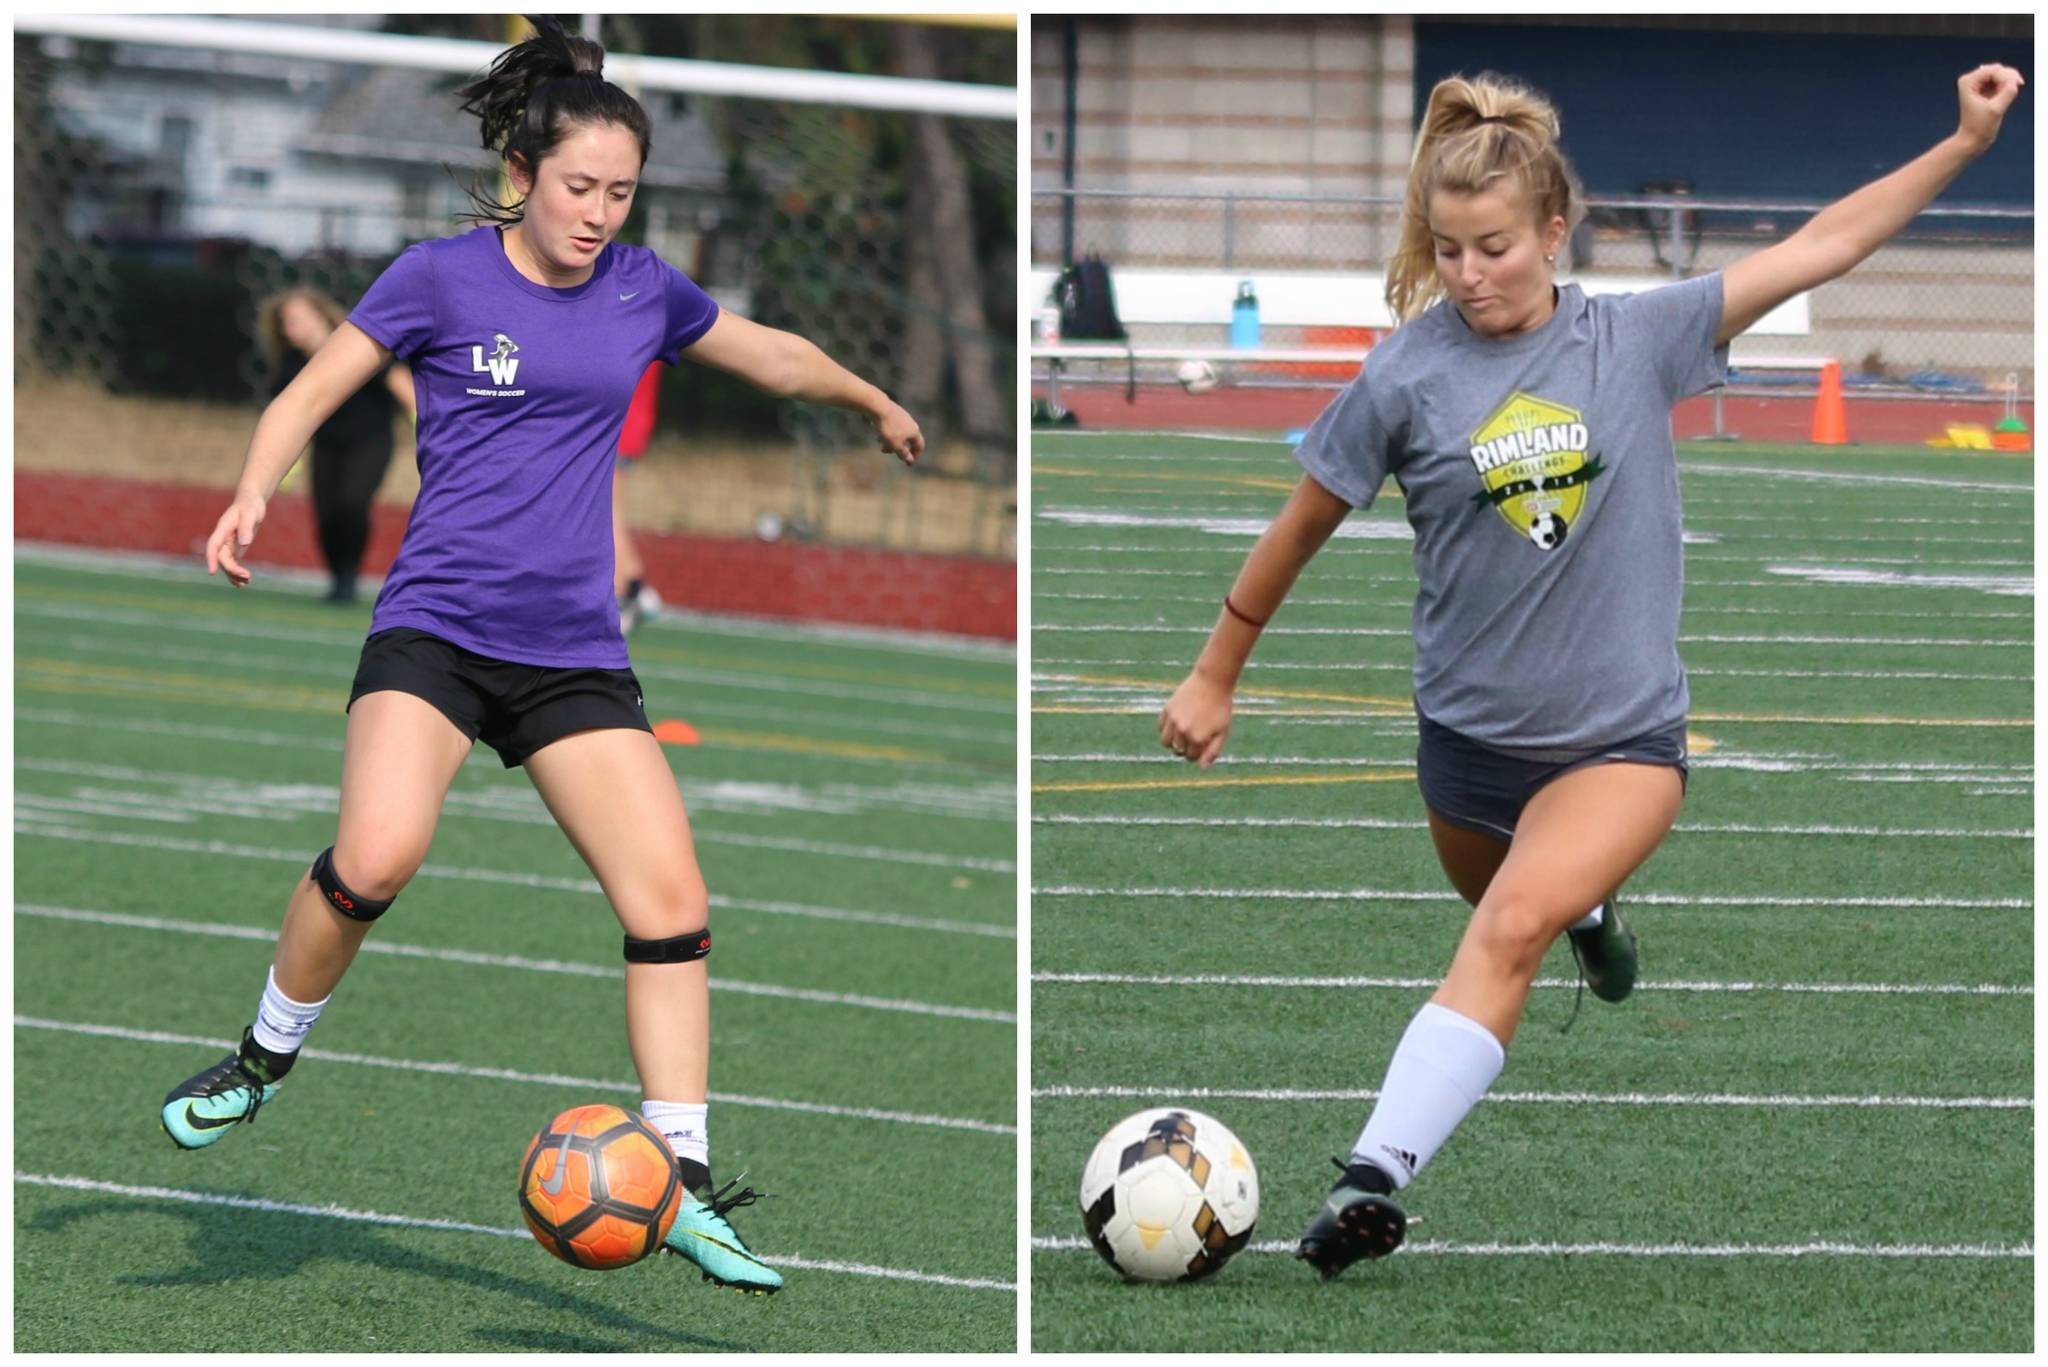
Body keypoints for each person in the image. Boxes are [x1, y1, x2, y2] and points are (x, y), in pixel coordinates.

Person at [1156, 62, 2022, 1280]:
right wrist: (1212, 674)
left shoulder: (1638, 335)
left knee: (1509, 923)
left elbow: (1826, 242)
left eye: (1494, 247)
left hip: (1617, 742)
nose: (1469, 274)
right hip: (1463, 749)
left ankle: (1372, 1175)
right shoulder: (1403, 374)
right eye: (1448, 250)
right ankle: (1594, 910)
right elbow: (1296, 525)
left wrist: (1963, 144)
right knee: (1504, 906)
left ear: (1553, 231)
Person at [162, 17, 923, 1298]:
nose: (599, 212)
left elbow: (770, 352)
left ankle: (677, 1179)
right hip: (437, 633)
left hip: (572, 656)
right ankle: (260, 1055)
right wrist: (249, 491)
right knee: (379, 852)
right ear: (522, 172)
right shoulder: (438, 278)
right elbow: (310, 392)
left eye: (622, 193)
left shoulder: (640, 288)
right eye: (580, 186)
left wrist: (871, 396)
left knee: (671, 906)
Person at [256, 287, 415, 602]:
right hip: (327, 446)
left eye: (299, 319)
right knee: (327, 514)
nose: (292, 328)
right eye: (287, 322)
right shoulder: (290, 363)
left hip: (370, 440)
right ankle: (337, 578)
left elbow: (402, 386)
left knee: (352, 503)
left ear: (320, 315)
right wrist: (283, 462)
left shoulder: (356, 347)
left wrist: (426, 425)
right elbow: (289, 413)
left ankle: (349, 577)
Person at [613, 360, 662, 633]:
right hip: (631, 423)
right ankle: (635, 586)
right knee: (609, 509)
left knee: (606, 511)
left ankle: (622, 595)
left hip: (620, 424)